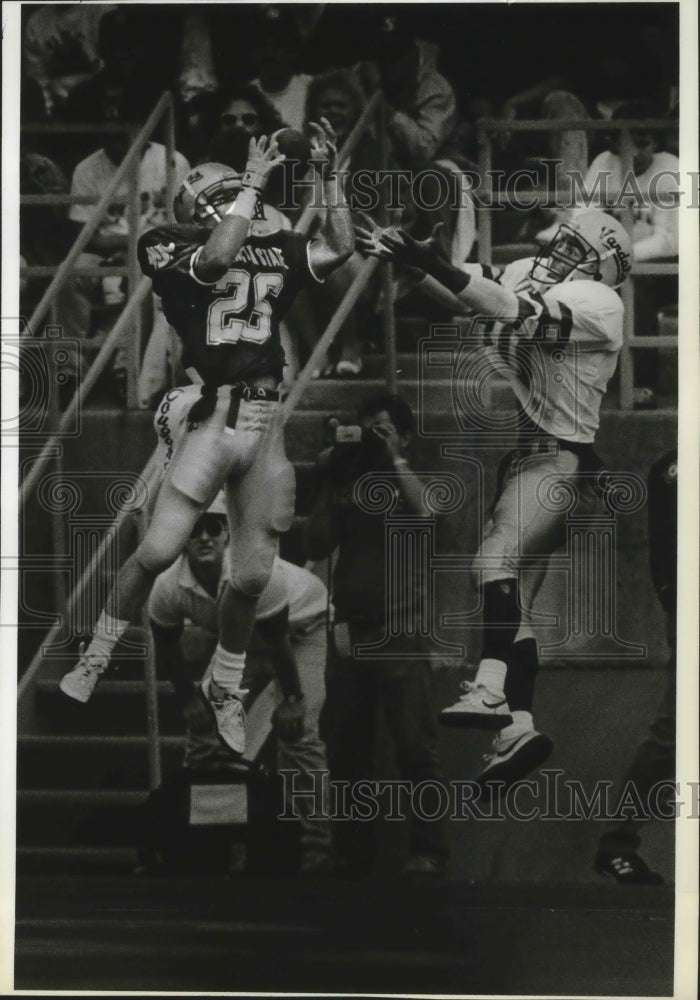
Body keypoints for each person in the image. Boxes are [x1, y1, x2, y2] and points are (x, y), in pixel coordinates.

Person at [59, 120, 354, 763]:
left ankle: (224, 682)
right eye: (234, 196)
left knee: (249, 576)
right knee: (161, 547)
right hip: (211, 417)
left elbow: (341, 249)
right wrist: (251, 182)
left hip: (264, 423)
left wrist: (328, 177)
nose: (252, 204)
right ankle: (99, 650)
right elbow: (218, 257)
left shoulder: (271, 243)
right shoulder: (167, 244)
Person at [356, 209, 633, 796]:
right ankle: (519, 730)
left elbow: (510, 310)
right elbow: (465, 293)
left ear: (601, 263)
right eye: (561, 240)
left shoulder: (601, 304)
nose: (556, 250)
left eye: (573, 244)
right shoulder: (538, 270)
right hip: (534, 459)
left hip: (563, 462)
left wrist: (427, 260)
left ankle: (488, 686)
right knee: (518, 609)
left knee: (491, 562)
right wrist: (406, 257)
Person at [148, 494, 334, 875]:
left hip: (300, 632)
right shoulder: (167, 587)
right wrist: (188, 701)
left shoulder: (252, 575)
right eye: (194, 529)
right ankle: (202, 841)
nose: (204, 537)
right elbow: (166, 645)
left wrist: (293, 700)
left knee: (298, 736)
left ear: (228, 535)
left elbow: (278, 642)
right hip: (240, 639)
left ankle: (317, 848)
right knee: (204, 736)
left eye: (213, 527)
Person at [305, 394, 450, 877]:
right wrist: (332, 475)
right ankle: (353, 851)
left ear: (404, 436)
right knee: (346, 748)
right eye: (367, 430)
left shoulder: (410, 481)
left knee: (415, 747)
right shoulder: (350, 482)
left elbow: (429, 515)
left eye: (383, 430)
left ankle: (429, 849)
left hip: (400, 631)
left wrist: (395, 459)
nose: (373, 438)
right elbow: (317, 541)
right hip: (350, 632)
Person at [594, 449, 677, 884]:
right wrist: (674, 601)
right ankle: (617, 842)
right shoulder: (673, 466)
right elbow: (664, 545)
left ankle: (618, 842)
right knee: (672, 735)